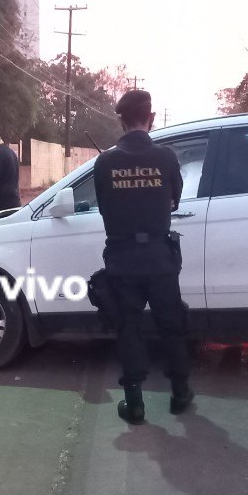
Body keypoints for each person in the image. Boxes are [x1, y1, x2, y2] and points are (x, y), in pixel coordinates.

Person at [93, 90, 193, 423]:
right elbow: (175, 200)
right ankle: (180, 395)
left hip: (122, 260)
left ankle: (134, 403)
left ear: (121, 121)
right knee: (172, 326)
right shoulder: (166, 157)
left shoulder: (105, 162)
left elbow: (105, 207)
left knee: (129, 329)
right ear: (150, 119)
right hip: (159, 257)